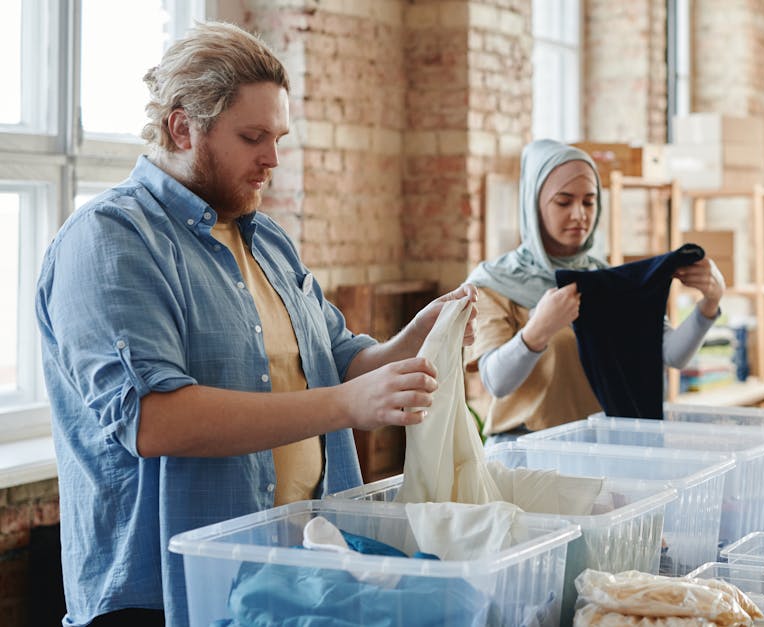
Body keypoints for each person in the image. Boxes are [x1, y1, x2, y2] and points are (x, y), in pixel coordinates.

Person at [36, 22, 474, 626]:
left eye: (278, 137)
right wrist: (346, 405)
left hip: (297, 577)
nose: (272, 158)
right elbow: (154, 419)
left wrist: (414, 340)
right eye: (252, 137)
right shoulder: (110, 240)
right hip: (165, 596)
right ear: (181, 127)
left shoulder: (266, 238)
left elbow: (338, 363)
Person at [466, 139, 725, 443]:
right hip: (524, 453)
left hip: (594, 451)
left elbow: (671, 354)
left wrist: (710, 303)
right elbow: (495, 382)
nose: (580, 215)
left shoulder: (605, 280)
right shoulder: (494, 283)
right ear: (533, 204)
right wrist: (538, 330)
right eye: (564, 202)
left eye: (589, 202)